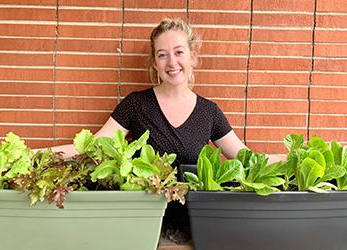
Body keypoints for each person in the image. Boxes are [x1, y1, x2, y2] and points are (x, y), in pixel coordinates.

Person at [40, 18, 283, 243]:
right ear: (155, 63)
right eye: (163, 55)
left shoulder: (209, 112)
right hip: (141, 227)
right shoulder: (136, 105)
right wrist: (38, 154)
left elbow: (245, 159)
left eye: (179, 52)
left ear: (193, 58)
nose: (172, 62)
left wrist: (289, 158)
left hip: (193, 231)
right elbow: (91, 146)